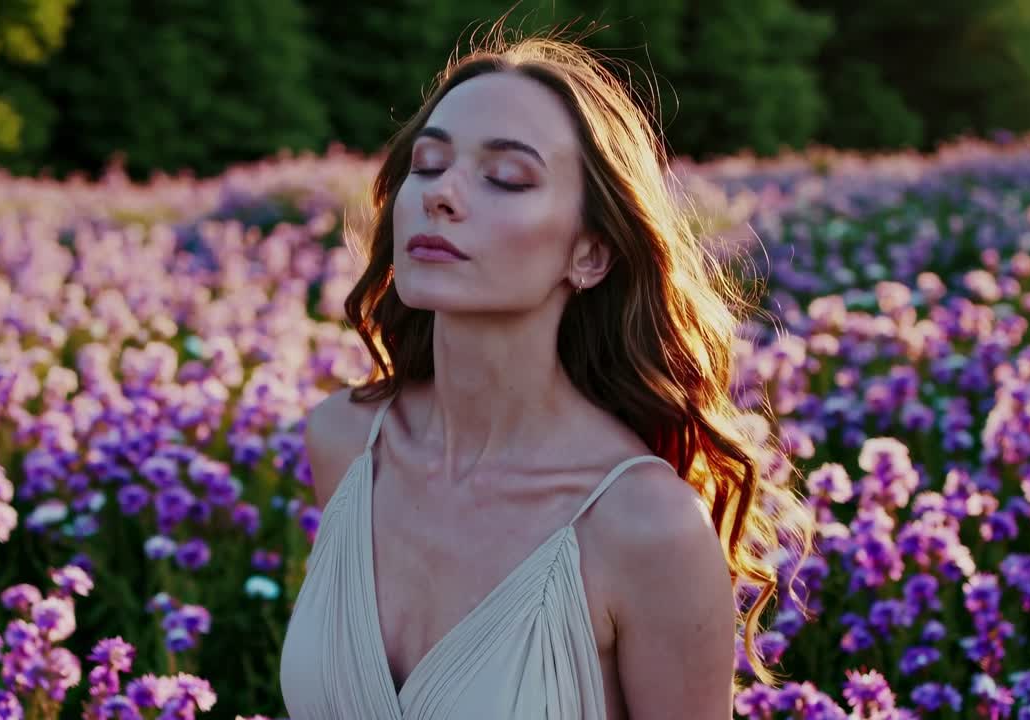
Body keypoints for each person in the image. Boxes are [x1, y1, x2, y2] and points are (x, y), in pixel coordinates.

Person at [279, 18, 815, 720]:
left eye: (506, 177)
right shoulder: (346, 442)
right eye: (428, 164)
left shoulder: (647, 527)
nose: (441, 195)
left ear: (589, 254)